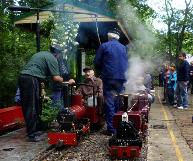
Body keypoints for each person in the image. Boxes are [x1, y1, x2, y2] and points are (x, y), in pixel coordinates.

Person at [18, 45, 75, 142]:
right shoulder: (52, 58)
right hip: (30, 79)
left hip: (29, 78)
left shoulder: (41, 54)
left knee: (36, 105)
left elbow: (39, 70)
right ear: (57, 54)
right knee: (31, 107)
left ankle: (35, 130)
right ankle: (31, 134)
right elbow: (56, 78)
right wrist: (68, 81)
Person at [94, 28, 128, 136]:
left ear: (109, 36)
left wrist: (100, 71)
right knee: (118, 101)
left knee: (109, 102)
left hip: (109, 77)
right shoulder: (123, 47)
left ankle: (111, 129)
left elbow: (97, 62)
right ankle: (119, 126)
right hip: (121, 78)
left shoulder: (104, 46)